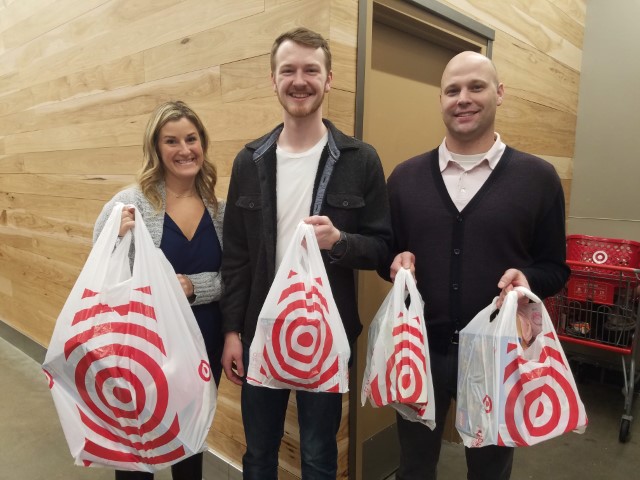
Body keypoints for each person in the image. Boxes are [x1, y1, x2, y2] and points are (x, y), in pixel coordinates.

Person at [383, 51, 570, 480]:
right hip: (420, 351)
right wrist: (396, 262)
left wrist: (529, 280)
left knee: (490, 470)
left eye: (476, 87)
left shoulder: (538, 179)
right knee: (413, 466)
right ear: (441, 99)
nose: (463, 98)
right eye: (452, 90)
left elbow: (554, 268)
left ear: (499, 94)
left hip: (497, 356)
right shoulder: (405, 178)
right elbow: (387, 256)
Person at [220, 27, 392, 479]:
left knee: (318, 456)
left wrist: (340, 241)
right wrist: (232, 332)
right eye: (288, 70)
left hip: (327, 335)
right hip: (259, 332)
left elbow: (381, 249)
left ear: (329, 78)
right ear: (273, 80)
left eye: (311, 70)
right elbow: (235, 257)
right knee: (258, 454)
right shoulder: (249, 160)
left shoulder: (360, 159)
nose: (300, 80)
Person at [93, 100, 224, 480]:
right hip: (142, 346)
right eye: (171, 141)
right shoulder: (128, 203)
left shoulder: (220, 209)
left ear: (202, 143)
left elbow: (234, 276)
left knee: (191, 441)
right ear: (156, 147)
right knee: (137, 450)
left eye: (191, 138)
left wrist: (192, 286)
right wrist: (113, 239)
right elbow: (101, 273)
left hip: (202, 340)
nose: (184, 150)